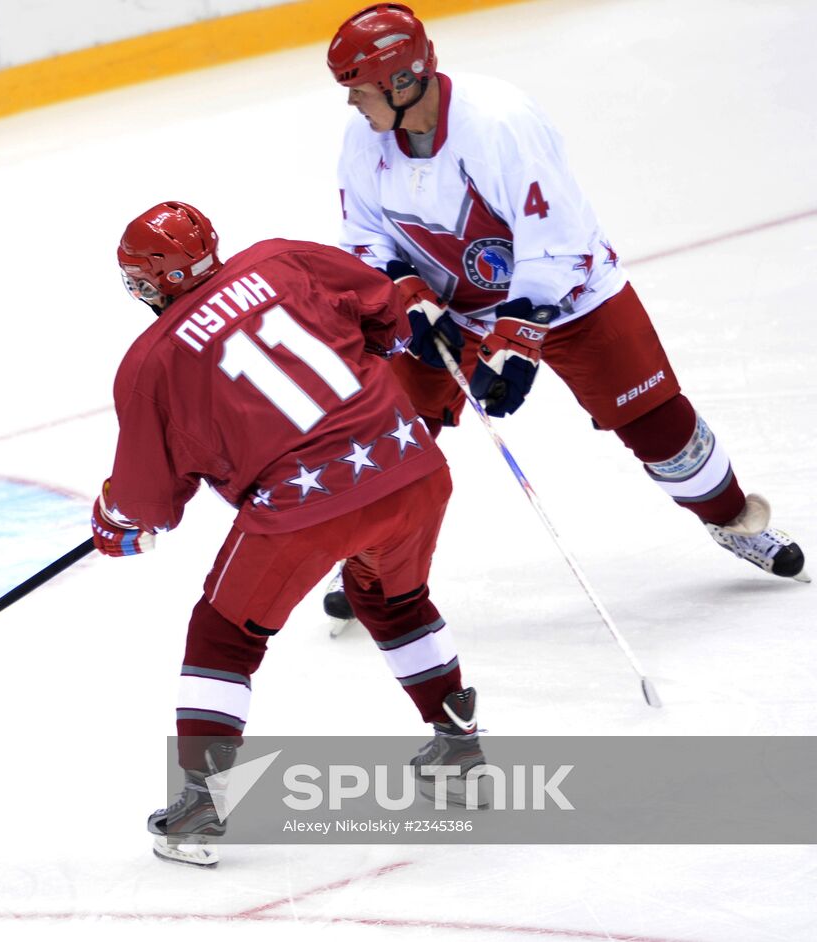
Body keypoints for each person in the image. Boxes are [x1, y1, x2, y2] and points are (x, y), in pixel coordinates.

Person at [318, 3, 806, 625]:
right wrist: (408, 293)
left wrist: (518, 335)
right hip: (454, 309)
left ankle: (732, 520)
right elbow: (363, 234)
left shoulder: (498, 123)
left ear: (403, 81)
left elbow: (558, 237)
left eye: (360, 89)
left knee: (657, 423)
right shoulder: (366, 140)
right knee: (391, 432)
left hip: (569, 294)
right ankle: (370, 572)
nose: (353, 104)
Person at [92, 201, 481, 868]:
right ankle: (457, 745)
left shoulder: (150, 362)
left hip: (302, 511)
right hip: (410, 464)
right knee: (391, 599)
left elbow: (148, 500)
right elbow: (386, 312)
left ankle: (201, 804)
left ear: (149, 282)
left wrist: (114, 520)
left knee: (224, 635)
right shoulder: (285, 258)